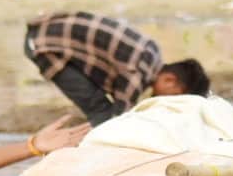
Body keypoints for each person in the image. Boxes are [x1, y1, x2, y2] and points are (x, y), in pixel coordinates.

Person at [24, 13, 165, 124]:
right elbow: (122, 118)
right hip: (43, 45)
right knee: (101, 110)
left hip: (45, 30)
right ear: (170, 79)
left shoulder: (153, 52)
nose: (166, 99)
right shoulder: (137, 75)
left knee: (103, 109)